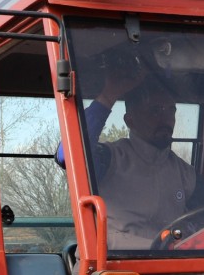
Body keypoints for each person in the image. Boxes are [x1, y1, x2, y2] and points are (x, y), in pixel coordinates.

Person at [57, 62, 196, 250]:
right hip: (113, 268)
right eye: (156, 111)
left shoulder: (185, 173)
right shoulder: (110, 158)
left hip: (174, 267)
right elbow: (68, 154)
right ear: (130, 120)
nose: (166, 119)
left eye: (171, 110)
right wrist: (108, 95)